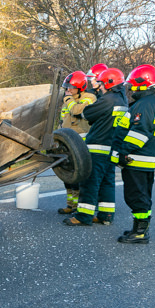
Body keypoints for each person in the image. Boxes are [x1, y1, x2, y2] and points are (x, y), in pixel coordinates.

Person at [110, 64, 155, 244]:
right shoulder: (153, 102)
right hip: (145, 159)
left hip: (136, 159)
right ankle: (139, 229)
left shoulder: (145, 104)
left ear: (143, 84)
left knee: (137, 196)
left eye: (134, 85)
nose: (131, 88)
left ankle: (141, 233)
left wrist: (123, 151)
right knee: (142, 196)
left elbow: (140, 133)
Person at [63, 67, 128, 226]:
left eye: (101, 84)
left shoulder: (108, 99)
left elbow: (87, 114)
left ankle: (83, 217)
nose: (99, 87)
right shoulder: (122, 100)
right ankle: (106, 216)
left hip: (98, 146)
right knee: (107, 183)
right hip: (111, 147)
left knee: (89, 182)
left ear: (109, 84)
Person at [57, 70, 97, 214]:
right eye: (66, 87)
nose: (68, 90)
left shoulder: (89, 97)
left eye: (70, 87)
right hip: (66, 143)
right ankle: (70, 205)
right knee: (67, 176)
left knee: (78, 176)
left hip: (81, 143)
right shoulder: (67, 101)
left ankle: (79, 206)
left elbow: (77, 110)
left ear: (80, 87)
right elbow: (62, 121)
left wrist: (68, 99)